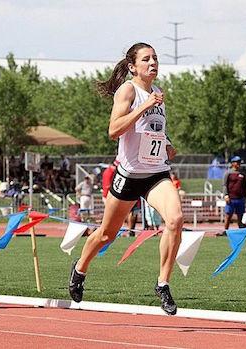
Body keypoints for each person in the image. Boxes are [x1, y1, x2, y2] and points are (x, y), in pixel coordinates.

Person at [68, 43, 183, 315]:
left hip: (156, 173)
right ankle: (80, 268)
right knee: (107, 234)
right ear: (133, 66)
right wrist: (144, 107)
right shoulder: (128, 90)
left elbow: (151, 131)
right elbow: (114, 130)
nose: (153, 62)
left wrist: (166, 143)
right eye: (147, 59)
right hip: (129, 175)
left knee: (176, 220)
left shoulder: (157, 93)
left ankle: (163, 283)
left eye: (155, 58)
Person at [219, 156, 246, 235]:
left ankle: (241, 231)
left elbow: (244, 186)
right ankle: (226, 230)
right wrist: (226, 195)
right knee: (228, 215)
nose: (238, 164)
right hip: (231, 198)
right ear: (233, 163)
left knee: (240, 215)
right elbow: (224, 185)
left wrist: (244, 197)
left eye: (239, 162)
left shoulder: (242, 174)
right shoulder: (228, 173)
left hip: (240, 198)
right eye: (237, 162)